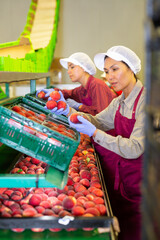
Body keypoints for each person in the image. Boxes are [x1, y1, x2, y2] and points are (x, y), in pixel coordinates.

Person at [47, 46, 145, 240]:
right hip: (123, 178)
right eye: (107, 71)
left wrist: (95, 133)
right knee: (123, 228)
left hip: (141, 183)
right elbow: (98, 120)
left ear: (131, 69)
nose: (109, 76)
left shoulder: (147, 101)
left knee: (140, 229)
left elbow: (136, 148)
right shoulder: (120, 101)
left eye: (115, 69)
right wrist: (69, 113)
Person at [37, 52, 116, 116]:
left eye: (72, 67)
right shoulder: (82, 89)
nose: (68, 71)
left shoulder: (97, 85)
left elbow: (101, 116)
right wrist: (53, 91)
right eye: (68, 68)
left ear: (83, 67)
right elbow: (68, 93)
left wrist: (80, 106)